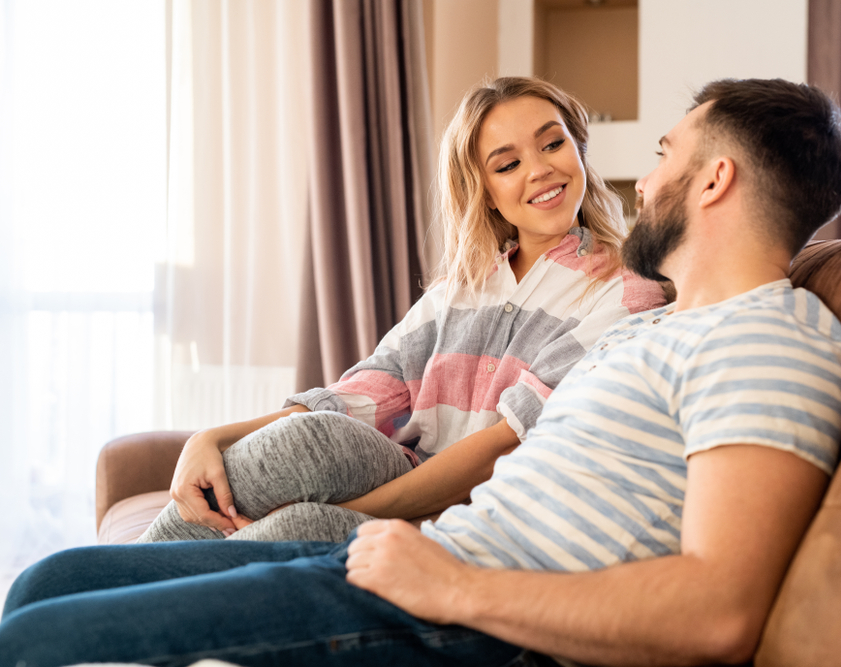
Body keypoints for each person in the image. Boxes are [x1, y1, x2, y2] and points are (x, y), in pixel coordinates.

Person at [0, 77, 841, 667]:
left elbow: (720, 610)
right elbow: (376, 387)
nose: (642, 181)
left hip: (463, 611)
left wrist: (454, 584)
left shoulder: (768, 338)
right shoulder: (657, 329)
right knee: (47, 582)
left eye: (667, 154)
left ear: (715, 180)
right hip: (421, 564)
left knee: (36, 641)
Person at [136, 76, 666, 545]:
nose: (541, 169)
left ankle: (119, 592)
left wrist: (350, 513)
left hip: (479, 515)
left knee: (298, 526)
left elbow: (507, 444)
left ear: (579, 150)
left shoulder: (626, 290)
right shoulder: (458, 291)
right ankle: (117, 582)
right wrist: (212, 437)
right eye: (508, 164)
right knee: (314, 438)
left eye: (553, 144)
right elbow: (364, 391)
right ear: (485, 192)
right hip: (400, 476)